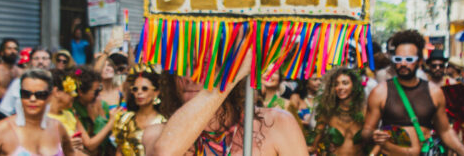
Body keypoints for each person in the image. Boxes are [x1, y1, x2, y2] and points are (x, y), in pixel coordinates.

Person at [147, 55, 307, 156]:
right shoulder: (156, 134)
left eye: (203, 65)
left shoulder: (278, 123)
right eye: (182, 68)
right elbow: (164, 151)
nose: (190, 77)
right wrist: (230, 79)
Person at [363, 29, 464, 156]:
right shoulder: (380, 92)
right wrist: (373, 135)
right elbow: (366, 131)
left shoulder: (434, 92)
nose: (403, 64)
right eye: (398, 59)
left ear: (420, 61)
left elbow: (445, 131)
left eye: (409, 59)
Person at [0, 69, 75, 156]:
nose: (32, 99)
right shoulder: (2, 131)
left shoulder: (57, 128)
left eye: (40, 95)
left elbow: (72, 153)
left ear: (49, 96)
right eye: (26, 94)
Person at [311, 68, 367, 155]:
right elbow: (315, 141)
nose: (340, 87)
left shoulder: (364, 111)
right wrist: (325, 145)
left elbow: (375, 140)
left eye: (345, 83)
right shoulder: (327, 111)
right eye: (336, 84)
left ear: (354, 85)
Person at [114, 66, 167, 155]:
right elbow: (119, 151)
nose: (139, 92)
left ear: (156, 92)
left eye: (144, 89)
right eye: (135, 89)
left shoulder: (165, 121)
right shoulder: (125, 120)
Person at [72, 67, 120, 156]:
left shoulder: (102, 104)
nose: (99, 94)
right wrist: (111, 122)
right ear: (80, 92)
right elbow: (90, 145)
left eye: (100, 90)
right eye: (96, 91)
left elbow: (106, 138)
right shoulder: (73, 109)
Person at [0, 47, 54, 115]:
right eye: (36, 58)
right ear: (31, 62)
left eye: (44, 58)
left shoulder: (56, 82)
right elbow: (4, 109)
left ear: (51, 62)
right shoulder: (18, 83)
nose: (40, 62)